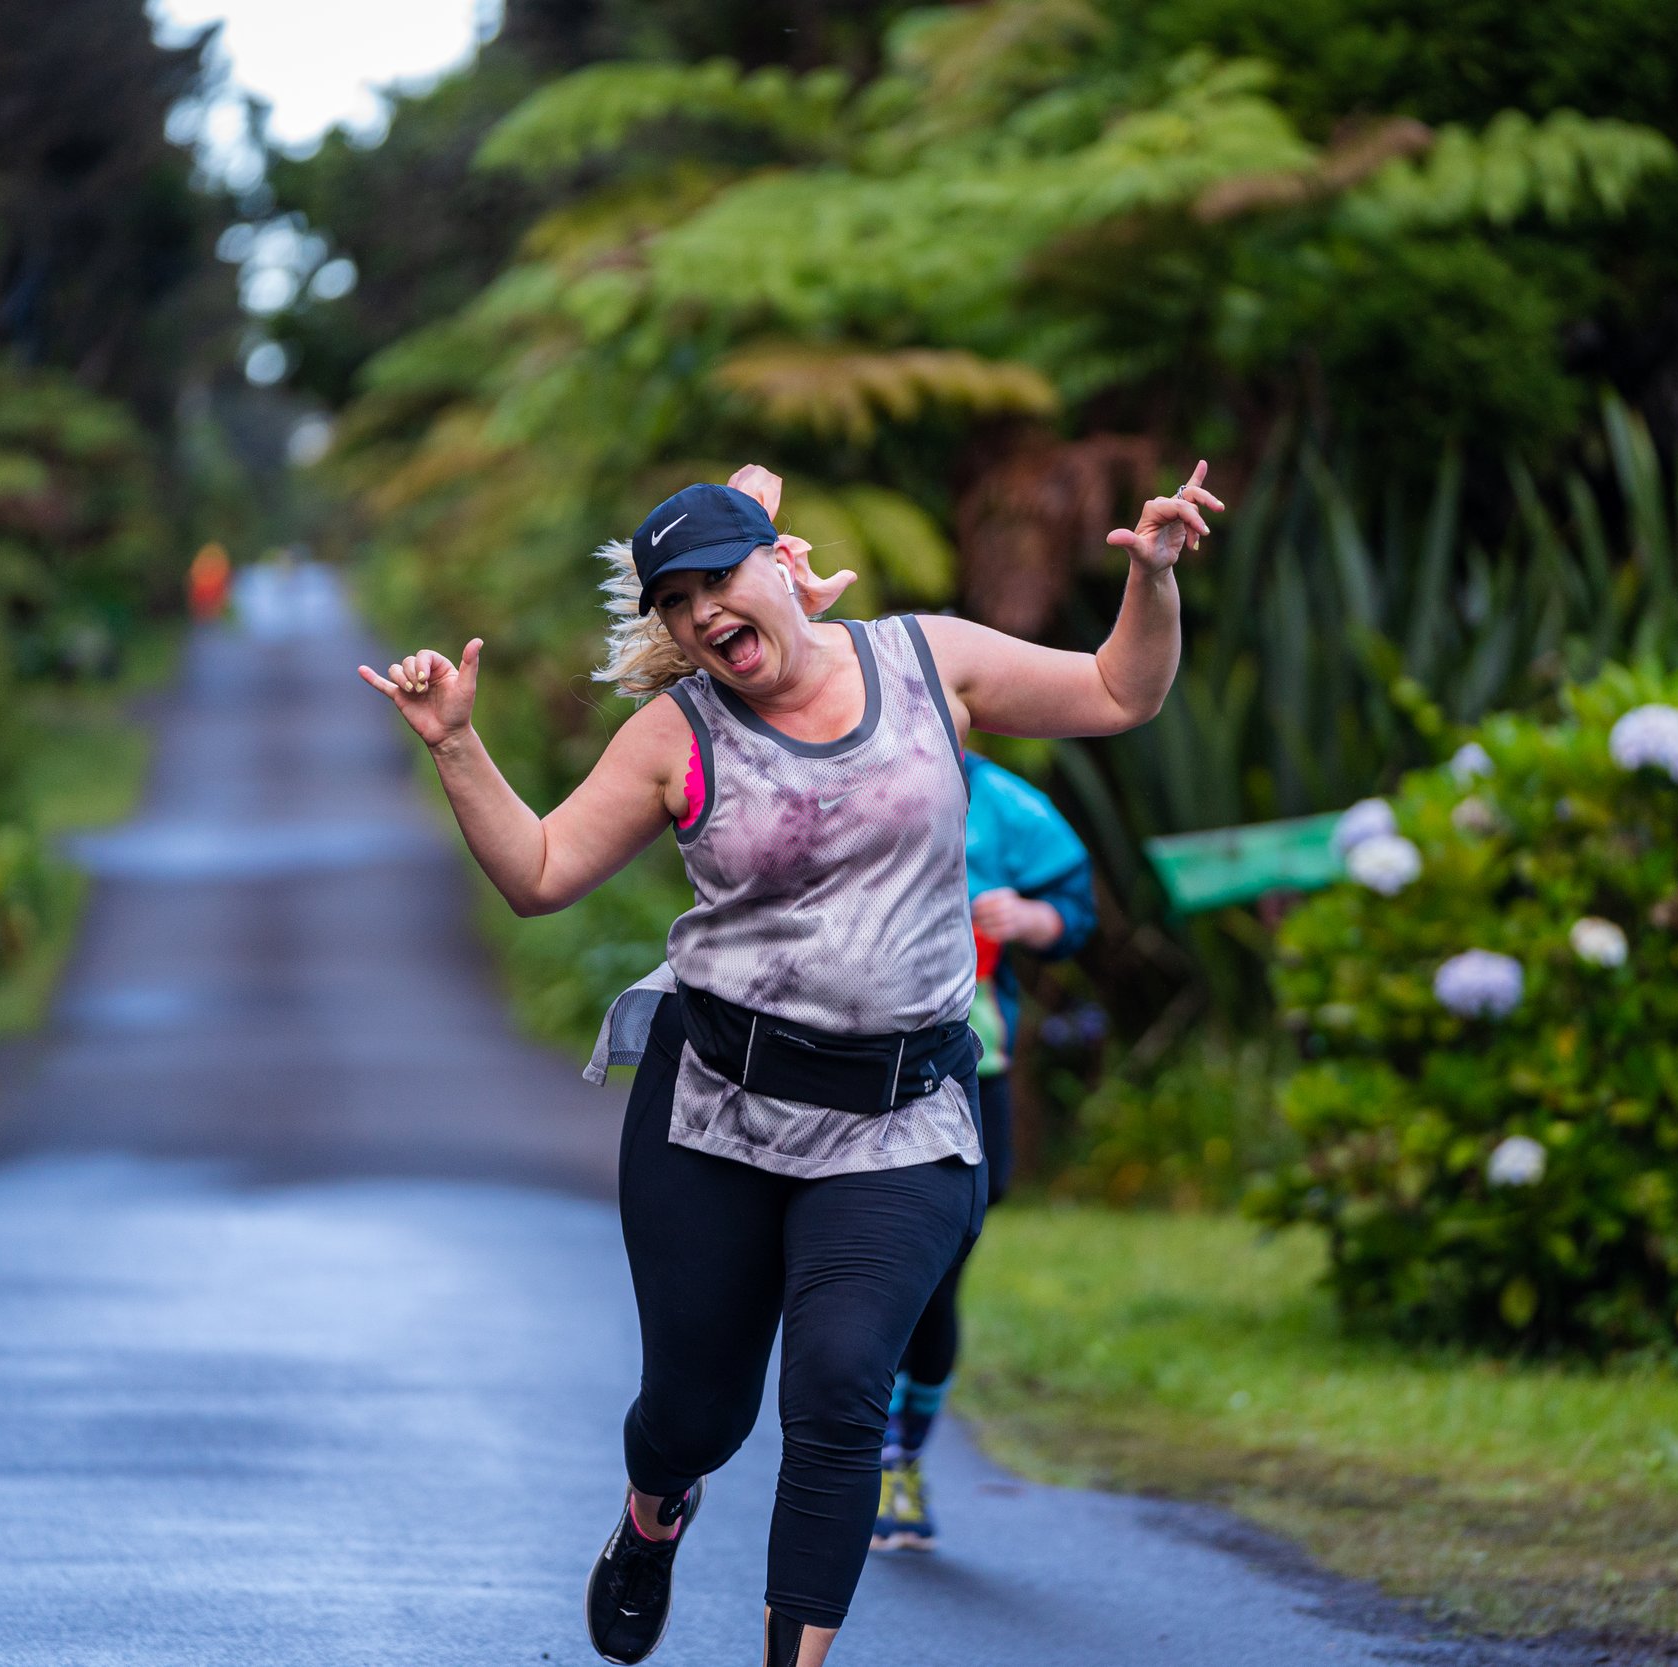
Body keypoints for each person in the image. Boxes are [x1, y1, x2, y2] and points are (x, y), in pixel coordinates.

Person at [359, 459, 1220, 1667]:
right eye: (676, 600)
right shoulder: (676, 733)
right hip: (715, 1111)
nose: (703, 609)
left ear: (781, 563)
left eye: (721, 576)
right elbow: (539, 874)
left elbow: (1120, 690)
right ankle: (651, 1513)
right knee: (695, 1412)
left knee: (836, 1397)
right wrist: (455, 745)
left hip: (903, 1116)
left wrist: (1152, 576)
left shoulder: (930, 661)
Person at [870, 751, 1095, 1553]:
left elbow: (1076, 907)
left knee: (934, 1282)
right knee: (859, 1278)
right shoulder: (840, 772)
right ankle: (861, 1455)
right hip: (853, 1070)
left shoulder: (1005, 804)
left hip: (973, 1072)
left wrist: (1034, 921)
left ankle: (897, 1461)